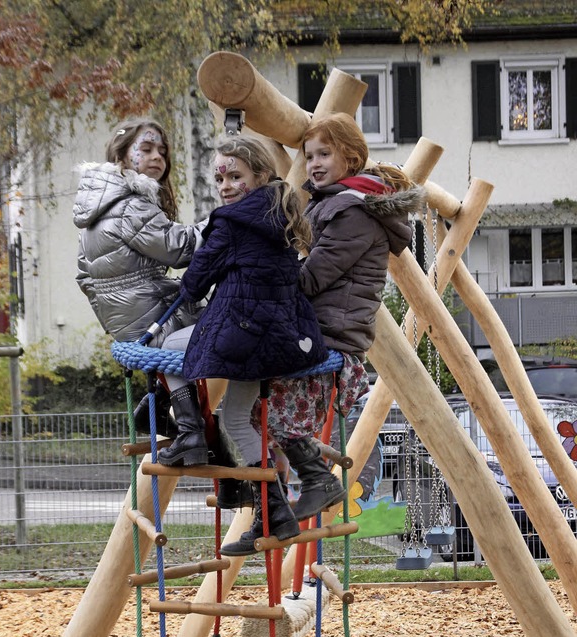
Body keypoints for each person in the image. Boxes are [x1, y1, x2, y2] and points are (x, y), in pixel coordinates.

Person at [156, 135, 329, 554]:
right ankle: (276, 516)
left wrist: (186, 284)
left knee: (165, 351)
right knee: (237, 418)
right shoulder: (282, 214)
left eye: (235, 176)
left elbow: (196, 280)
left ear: (260, 174)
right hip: (279, 337)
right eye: (219, 177)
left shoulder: (232, 221)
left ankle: (191, 432)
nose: (226, 185)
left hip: (244, 334)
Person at [253, 112, 426, 519]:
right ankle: (273, 499)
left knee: (268, 408)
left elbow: (312, 278)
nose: (313, 163)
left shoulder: (354, 214)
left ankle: (309, 483)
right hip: (318, 328)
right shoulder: (332, 203)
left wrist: (263, 279)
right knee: (256, 401)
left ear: (350, 158)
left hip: (332, 336)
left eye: (323, 153)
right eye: (308, 155)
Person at [73, 117, 246, 509]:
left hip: (123, 313)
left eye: (162, 152)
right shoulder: (129, 204)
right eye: (146, 149)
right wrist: (222, 221)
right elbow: (179, 249)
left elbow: (83, 273)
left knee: (185, 340)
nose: (157, 158)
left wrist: (114, 317)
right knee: (210, 326)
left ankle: (181, 428)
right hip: (148, 306)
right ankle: (189, 430)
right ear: (121, 155)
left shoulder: (95, 205)